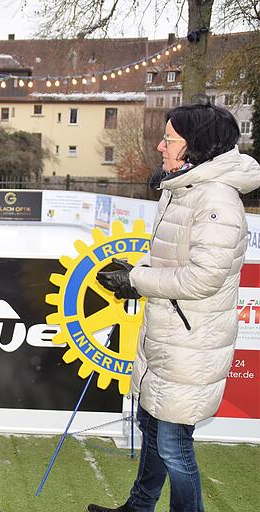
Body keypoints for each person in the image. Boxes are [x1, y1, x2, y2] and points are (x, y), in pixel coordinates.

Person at [92, 99, 260, 512]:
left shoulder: (215, 200)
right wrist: (137, 271)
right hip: (171, 336)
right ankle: (139, 506)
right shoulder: (185, 189)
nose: (160, 147)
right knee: (151, 428)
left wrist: (135, 280)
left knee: (173, 447)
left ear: (196, 146)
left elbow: (203, 278)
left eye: (169, 140)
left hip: (192, 345)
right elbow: (175, 261)